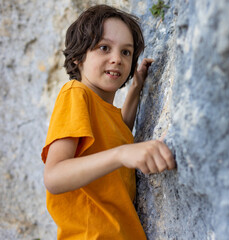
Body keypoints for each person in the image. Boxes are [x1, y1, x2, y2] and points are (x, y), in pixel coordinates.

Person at [41, 4, 175, 239]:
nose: (117, 59)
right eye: (104, 48)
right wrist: (122, 154)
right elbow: (54, 177)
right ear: (77, 58)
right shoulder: (75, 93)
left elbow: (118, 132)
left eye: (126, 52)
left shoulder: (104, 110)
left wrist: (136, 88)